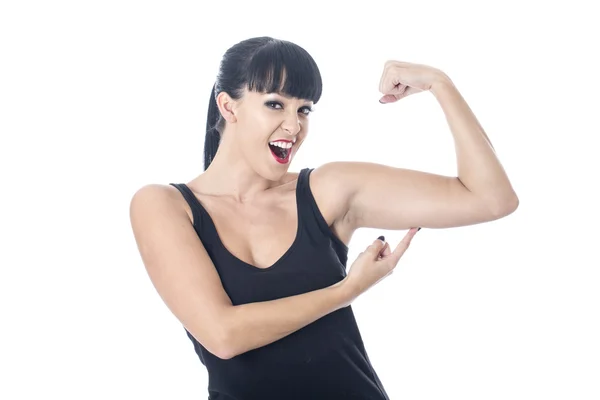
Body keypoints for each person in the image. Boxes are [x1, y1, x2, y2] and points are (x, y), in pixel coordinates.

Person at [129, 36, 519, 399]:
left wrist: (440, 84)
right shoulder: (164, 205)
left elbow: (491, 199)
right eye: (275, 104)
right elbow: (223, 334)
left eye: (304, 109)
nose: (294, 126)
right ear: (228, 106)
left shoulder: (326, 190)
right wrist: (345, 292)